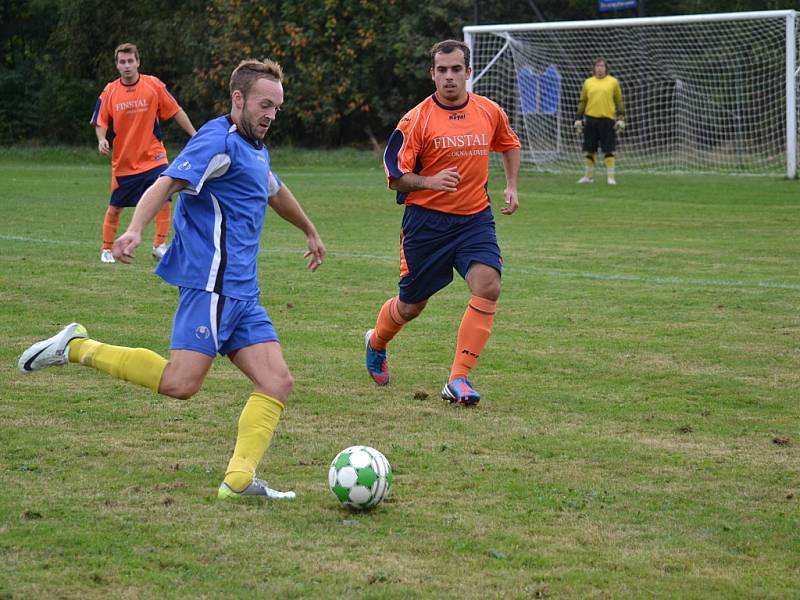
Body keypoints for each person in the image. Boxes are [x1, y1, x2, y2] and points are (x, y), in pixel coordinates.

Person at [20, 58, 326, 501]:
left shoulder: (255, 146)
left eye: (276, 108)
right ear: (238, 98)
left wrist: (310, 230)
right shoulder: (215, 141)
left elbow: (273, 189)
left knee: (277, 382)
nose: (271, 115)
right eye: (264, 105)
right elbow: (166, 184)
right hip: (210, 287)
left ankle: (238, 481)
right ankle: (75, 346)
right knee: (180, 385)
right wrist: (135, 229)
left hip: (243, 293)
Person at [365, 39, 521, 406]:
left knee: (488, 285)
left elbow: (509, 143)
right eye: (442, 70)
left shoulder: (488, 111)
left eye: (456, 70)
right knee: (410, 306)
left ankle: (458, 379)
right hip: (426, 225)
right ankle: (376, 341)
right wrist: (430, 181)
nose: (449, 77)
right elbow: (394, 175)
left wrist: (512, 185)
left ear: (468, 72)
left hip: (474, 219)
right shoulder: (416, 119)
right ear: (432, 74)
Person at [90, 42, 197, 263]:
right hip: (125, 162)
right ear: (117, 65)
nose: (127, 65)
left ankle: (159, 245)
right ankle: (107, 249)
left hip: (154, 157)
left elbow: (176, 110)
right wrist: (102, 139)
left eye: (130, 61)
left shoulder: (153, 85)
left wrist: (194, 134)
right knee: (116, 207)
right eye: (122, 62)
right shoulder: (110, 91)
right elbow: (100, 119)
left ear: (138, 62)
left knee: (165, 197)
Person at [574, 57, 625, 185]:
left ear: (606, 68)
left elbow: (619, 101)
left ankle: (611, 177)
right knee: (589, 149)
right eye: (597, 66)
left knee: (609, 149)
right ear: (594, 68)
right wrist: (578, 119)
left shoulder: (613, 82)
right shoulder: (588, 82)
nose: (600, 68)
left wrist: (620, 118)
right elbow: (583, 101)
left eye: (602, 66)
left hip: (608, 120)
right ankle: (588, 177)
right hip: (591, 119)